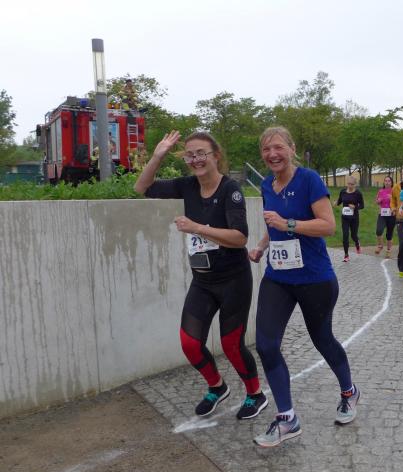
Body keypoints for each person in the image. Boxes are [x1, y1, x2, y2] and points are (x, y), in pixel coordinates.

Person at [133, 130, 267, 420]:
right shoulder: (188, 186)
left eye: (201, 154)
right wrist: (158, 155)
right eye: (189, 155)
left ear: (215, 156)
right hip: (203, 281)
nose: (195, 160)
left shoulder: (230, 189)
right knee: (190, 343)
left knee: (231, 345)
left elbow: (240, 238)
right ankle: (217, 387)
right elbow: (142, 187)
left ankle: (255, 394)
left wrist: (197, 228)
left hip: (233, 280)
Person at [250, 126, 359, 448]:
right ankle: (287, 418)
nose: (272, 154)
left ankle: (349, 392)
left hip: (314, 278)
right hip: (278, 278)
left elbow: (328, 225)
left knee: (322, 339)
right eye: (266, 149)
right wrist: (262, 246)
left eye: (278, 147)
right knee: (266, 345)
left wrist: (289, 224)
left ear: (292, 148)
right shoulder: (266, 183)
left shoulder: (309, 179)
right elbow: (273, 223)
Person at [336, 175, 364, 262]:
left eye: (352, 184)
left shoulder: (358, 193)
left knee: (353, 235)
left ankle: (357, 243)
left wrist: (355, 207)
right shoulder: (343, 191)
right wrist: (336, 203)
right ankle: (346, 255)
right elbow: (340, 201)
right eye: (348, 184)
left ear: (355, 184)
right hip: (345, 217)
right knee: (345, 235)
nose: (350, 186)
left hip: (354, 218)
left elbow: (362, 205)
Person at [391, 166, 403, 277]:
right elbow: (393, 200)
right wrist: (393, 208)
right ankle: (402, 268)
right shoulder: (396, 187)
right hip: (401, 219)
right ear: (401, 175)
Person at [374, 175, 395, 257]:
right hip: (382, 214)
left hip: (391, 215)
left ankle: (388, 250)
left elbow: (398, 201)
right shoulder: (380, 191)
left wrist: (392, 198)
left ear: (391, 182)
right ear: (384, 182)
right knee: (379, 230)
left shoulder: (394, 191)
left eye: (389, 181)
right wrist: (378, 201)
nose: (387, 182)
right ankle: (380, 245)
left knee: (389, 234)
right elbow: (376, 201)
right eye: (385, 181)